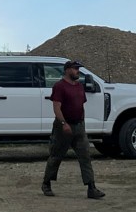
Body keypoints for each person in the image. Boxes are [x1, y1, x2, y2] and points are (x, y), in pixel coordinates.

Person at [41, 60, 105, 200]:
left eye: (78, 69)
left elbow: (81, 105)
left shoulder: (79, 86)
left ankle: (91, 187)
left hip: (79, 126)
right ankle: (46, 183)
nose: (78, 71)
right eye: (75, 69)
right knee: (56, 155)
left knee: (85, 156)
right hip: (63, 126)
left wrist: (82, 122)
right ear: (67, 70)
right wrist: (64, 123)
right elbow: (56, 107)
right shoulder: (59, 86)